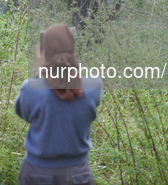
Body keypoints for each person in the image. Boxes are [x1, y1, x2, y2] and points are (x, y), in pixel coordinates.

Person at [15, 23, 103, 185]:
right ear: (74, 50)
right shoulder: (94, 86)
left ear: (44, 53)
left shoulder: (30, 89)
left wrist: (37, 72)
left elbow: (23, 113)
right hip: (78, 174)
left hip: (37, 173)